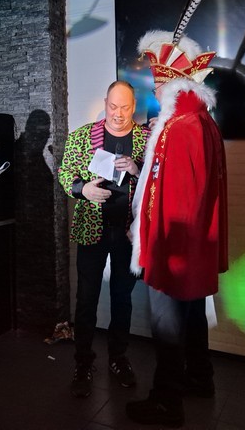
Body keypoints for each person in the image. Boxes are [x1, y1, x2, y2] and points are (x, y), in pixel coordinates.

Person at [126, 30, 228, 427]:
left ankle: (167, 402)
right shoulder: (200, 121)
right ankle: (200, 378)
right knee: (193, 315)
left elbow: (177, 199)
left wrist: (149, 238)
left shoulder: (182, 126)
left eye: (157, 85)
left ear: (169, 84)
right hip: (192, 247)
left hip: (174, 248)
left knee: (167, 325)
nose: (154, 91)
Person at [58, 80, 150, 397]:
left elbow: (159, 180)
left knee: (122, 299)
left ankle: (118, 359)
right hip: (91, 229)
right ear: (105, 103)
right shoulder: (83, 136)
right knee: (86, 299)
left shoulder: (146, 139)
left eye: (124, 107)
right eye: (113, 106)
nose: (118, 114)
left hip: (128, 233)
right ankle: (83, 363)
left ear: (133, 107)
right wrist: (82, 189)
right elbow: (65, 173)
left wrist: (138, 169)